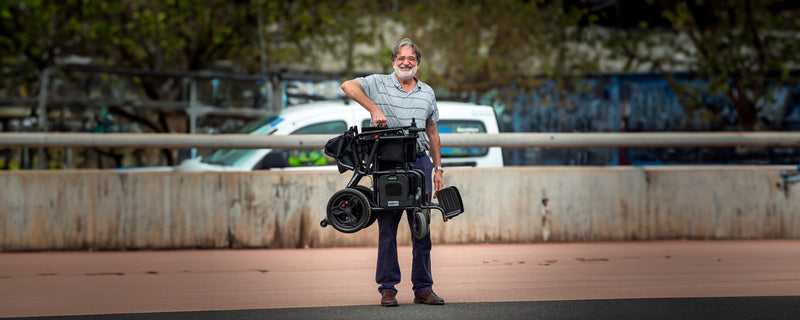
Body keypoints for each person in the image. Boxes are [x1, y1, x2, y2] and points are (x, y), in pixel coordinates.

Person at [340, 38, 445, 307]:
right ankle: (388, 289)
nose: (406, 63)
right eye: (401, 58)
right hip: (387, 165)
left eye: (411, 59)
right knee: (387, 230)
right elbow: (347, 85)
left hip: (420, 164)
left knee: (421, 227)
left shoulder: (427, 92)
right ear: (393, 61)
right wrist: (374, 109)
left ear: (418, 63)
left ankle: (423, 288)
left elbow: (433, 132)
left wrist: (438, 168)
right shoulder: (377, 83)